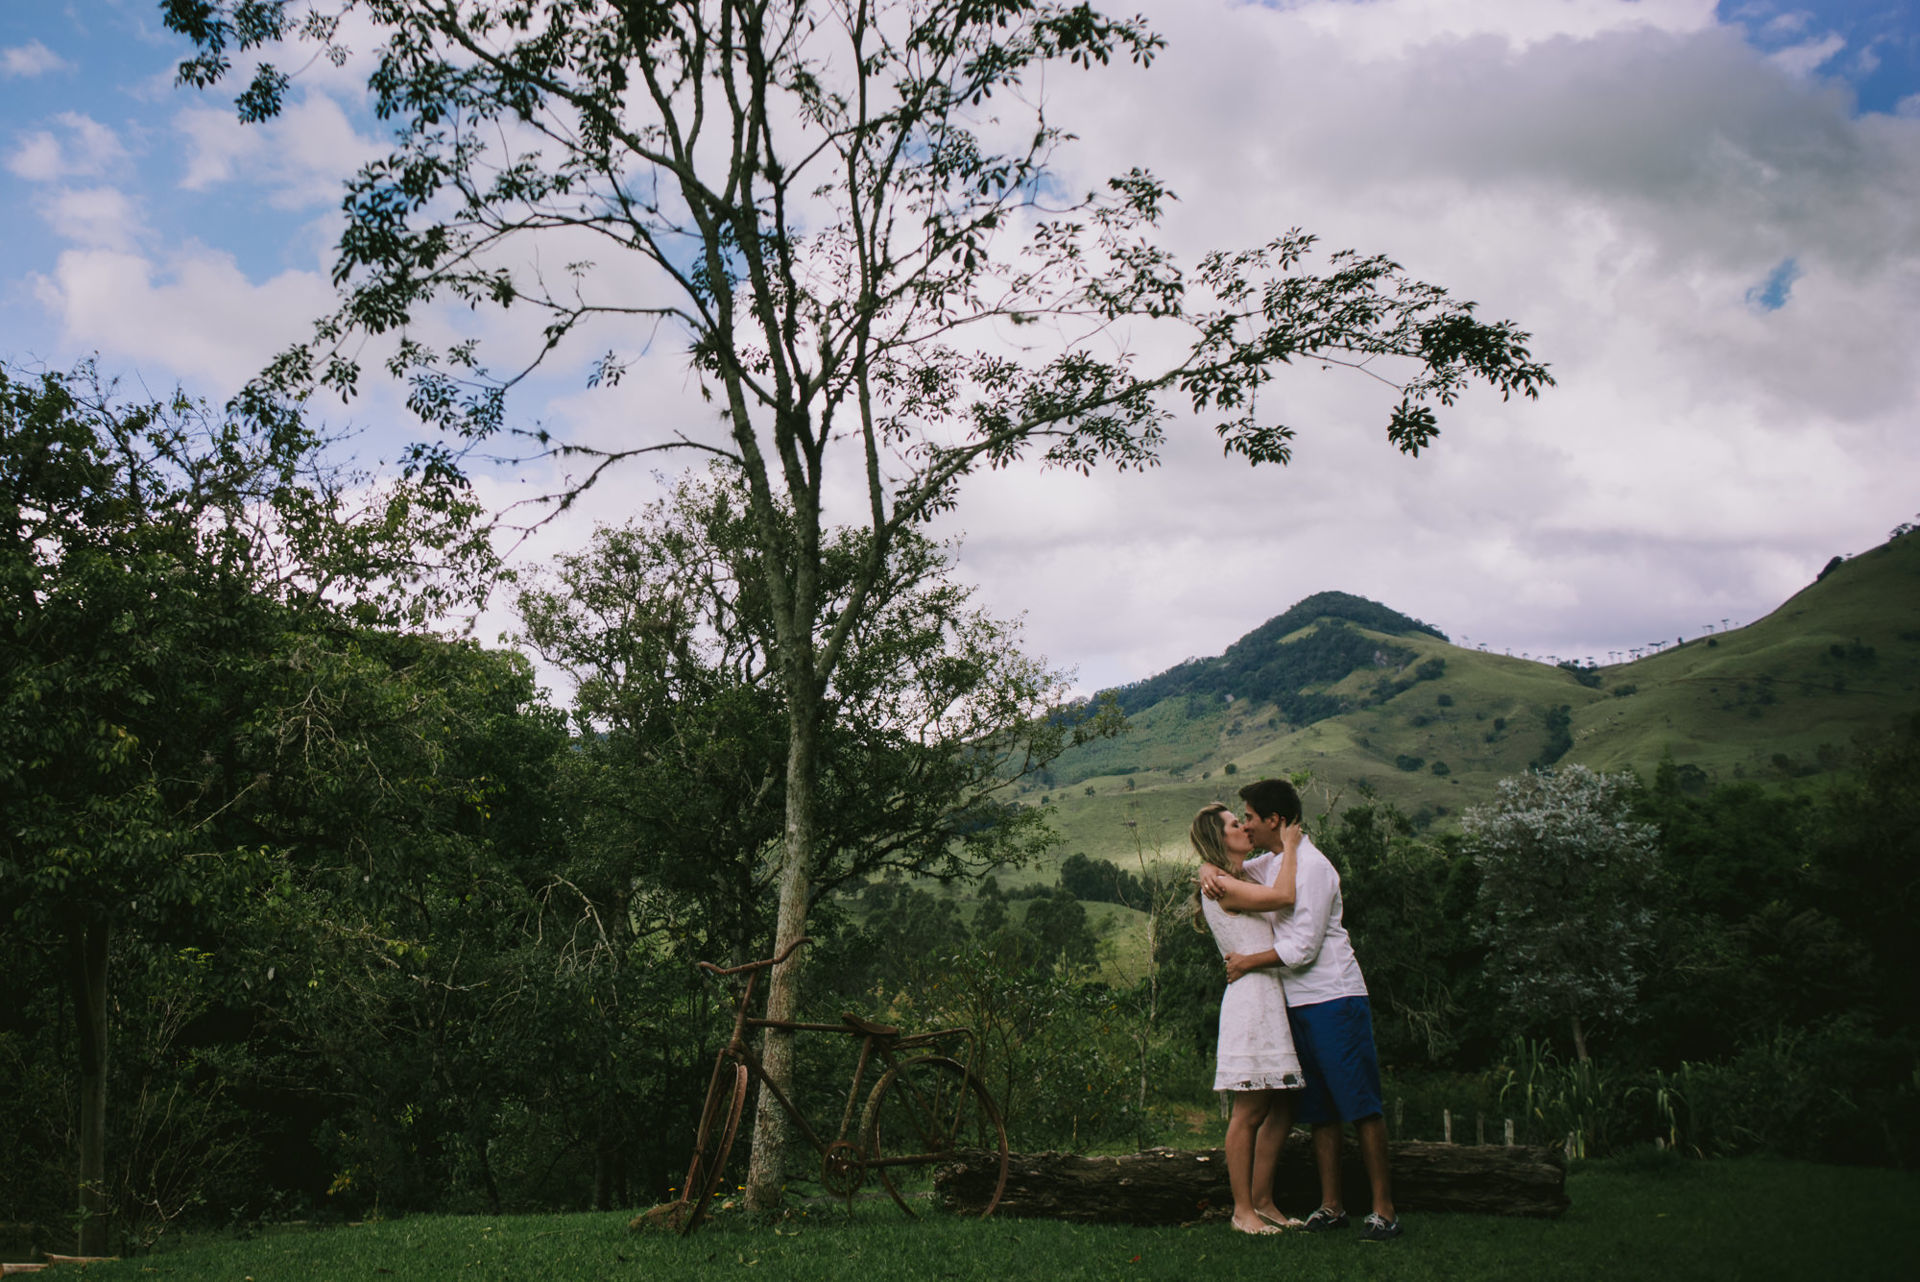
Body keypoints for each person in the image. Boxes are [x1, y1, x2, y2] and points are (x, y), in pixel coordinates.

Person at [1200, 778, 1403, 1243]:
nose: (1246, 824)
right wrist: (1205, 871)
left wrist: (1249, 960)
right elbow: (1227, 871)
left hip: (1333, 995)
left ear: (1275, 821)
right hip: (1294, 1002)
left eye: (1249, 816)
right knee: (1321, 1110)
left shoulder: (1311, 866)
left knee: (1361, 1104)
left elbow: (1305, 946)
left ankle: (1384, 1211)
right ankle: (1331, 1206)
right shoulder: (1272, 862)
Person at [1187, 802, 1304, 1235]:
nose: (1244, 827)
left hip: (1269, 995)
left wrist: (1202, 862)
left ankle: (1264, 1201)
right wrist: (1290, 846)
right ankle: (1242, 1211)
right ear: (1221, 838)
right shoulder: (1221, 884)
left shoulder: (1231, 874)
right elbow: (1284, 896)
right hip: (1252, 1002)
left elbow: (1262, 867)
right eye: (1235, 824)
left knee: (1283, 1104)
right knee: (1249, 1110)